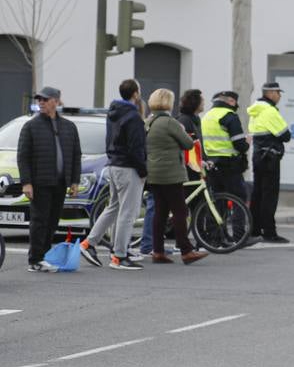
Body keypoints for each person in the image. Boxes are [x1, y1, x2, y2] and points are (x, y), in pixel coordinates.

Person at [81, 79, 147, 270]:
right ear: (135, 94)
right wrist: (143, 170)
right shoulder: (133, 116)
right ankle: (119, 256)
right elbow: (136, 146)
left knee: (113, 208)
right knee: (128, 213)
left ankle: (89, 243)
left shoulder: (114, 113)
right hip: (129, 168)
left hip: (115, 165)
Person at [17, 86, 81, 272]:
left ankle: (44, 256)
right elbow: (23, 156)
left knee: (53, 221)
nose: (41, 103)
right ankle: (35, 259)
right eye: (39, 100)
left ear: (56, 101)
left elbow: (76, 155)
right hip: (40, 182)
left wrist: (74, 181)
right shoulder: (31, 126)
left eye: (45, 99)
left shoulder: (69, 127)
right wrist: (26, 182)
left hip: (60, 182)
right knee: (40, 220)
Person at [143, 88, 208, 265]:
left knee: (160, 212)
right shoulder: (169, 122)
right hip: (170, 172)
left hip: (154, 173)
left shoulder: (149, 121)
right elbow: (188, 144)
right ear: (167, 102)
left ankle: (158, 251)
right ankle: (186, 250)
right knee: (180, 211)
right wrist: (181, 130)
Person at [247, 81, 291, 243]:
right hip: (270, 158)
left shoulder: (256, 110)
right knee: (269, 196)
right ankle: (269, 232)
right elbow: (286, 135)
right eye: (278, 92)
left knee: (257, 194)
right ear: (270, 93)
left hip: (258, 156)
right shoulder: (270, 111)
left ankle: (254, 229)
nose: (279, 96)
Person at [202, 90, 249, 203]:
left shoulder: (207, 116)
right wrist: (247, 142)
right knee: (239, 198)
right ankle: (238, 221)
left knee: (216, 200)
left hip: (210, 164)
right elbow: (240, 145)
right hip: (229, 164)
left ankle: (215, 221)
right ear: (231, 101)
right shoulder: (229, 116)